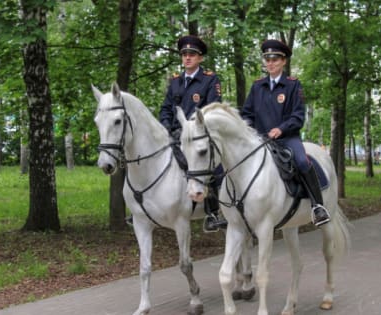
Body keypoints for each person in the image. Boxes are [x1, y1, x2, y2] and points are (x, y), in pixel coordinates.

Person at [126, 35, 227, 232]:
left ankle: (215, 211)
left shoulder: (209, 79)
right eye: (184, 54)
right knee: (148, 159)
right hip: (173, 134)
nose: (187, 58)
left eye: (192, 54)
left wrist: (191, 127)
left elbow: (213, 108)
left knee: (214, 167)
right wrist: (165, 126)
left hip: (198, 134)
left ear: (200, 58)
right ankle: (141, 207)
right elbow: (166, 108)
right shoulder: (175, 82)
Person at [241, 39, 331, 227]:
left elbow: (298, 116)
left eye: (275, 59)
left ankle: (318, 206)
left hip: (287, 138)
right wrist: (248, 129)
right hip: (260, 140)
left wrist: (280, 129)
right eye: (267, 59)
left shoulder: (293, 85)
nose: (270, 63)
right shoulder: (257, 86)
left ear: (283, 61)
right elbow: (247, 113)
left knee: (302, 161)